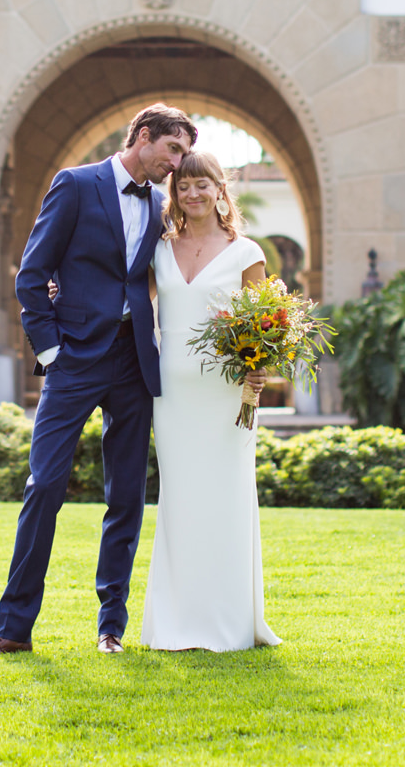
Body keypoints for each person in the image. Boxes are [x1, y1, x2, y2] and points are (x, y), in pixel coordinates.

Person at [0, 103, 196, 657]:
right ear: (143, 137)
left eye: (184, 153)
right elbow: (31, 276)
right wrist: (51, 350)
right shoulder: (74, 184)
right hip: (73, 361)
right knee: (44, 486)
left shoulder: (163, 205)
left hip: (135, 362)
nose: (177, 163)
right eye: (173, 150)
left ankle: (110, 628)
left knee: (127, 497)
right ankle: (13, 630)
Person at [140, 150, 280, 651]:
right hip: (172, 393)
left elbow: (263, 325)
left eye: (204, 185)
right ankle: (176, 620)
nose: (193, 194)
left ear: (221, 191)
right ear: (173, 195)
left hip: (226, 394)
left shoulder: (247, 253)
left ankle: (230, 621)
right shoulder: (159, 250)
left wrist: (258, 365)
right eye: (183, 187)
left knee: (226, 496)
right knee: (178, 500)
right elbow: (131, 302)